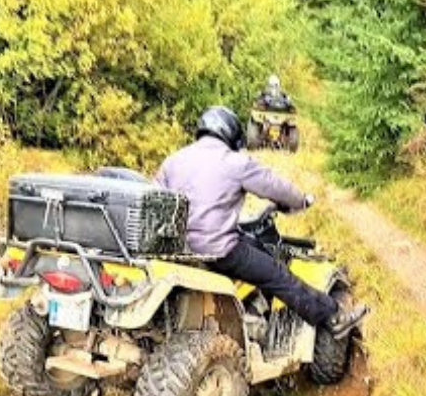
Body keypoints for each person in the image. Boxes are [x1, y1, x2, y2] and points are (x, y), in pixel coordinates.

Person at [155, 106, 368, 338]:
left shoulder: (173, 161)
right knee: (277, 274)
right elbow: (274, 186)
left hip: (178, 251)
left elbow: (154, 199)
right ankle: (333, 317)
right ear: (230, 134)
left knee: (253, 247)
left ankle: (253, 308)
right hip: (218, 251)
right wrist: (301, 200)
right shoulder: (235, 162)